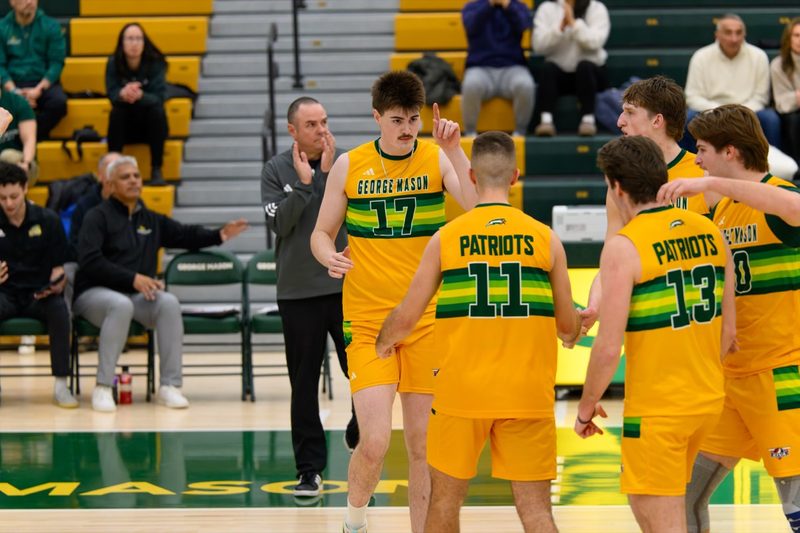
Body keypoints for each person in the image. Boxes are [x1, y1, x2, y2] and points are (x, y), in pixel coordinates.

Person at [376, 131, 582, 533]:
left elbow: (406, 317)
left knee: (445, 503)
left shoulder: (447, 237)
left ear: (469, 175)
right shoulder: (546, 238)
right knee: (537, 511)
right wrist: (576, 327)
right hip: (526, 393)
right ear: (516, 176)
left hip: (461, 393)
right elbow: (567, 327)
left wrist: (381, 344)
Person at [310, 71, 477, 533]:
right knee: (376, 440)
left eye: (414, 119)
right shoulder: (350, 165)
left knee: (424, 446)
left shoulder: (436, 158)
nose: (407, 128)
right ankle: (354, 520)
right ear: (377, 118)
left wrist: (455, 150)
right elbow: (321, 233)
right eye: (398, 120)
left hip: (426, 324)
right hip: (367, 324)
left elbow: (480, 205)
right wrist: (329, 256)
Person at [576, 135, 735, 532]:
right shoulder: (712, 232)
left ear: (616, 187)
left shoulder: (625, 246)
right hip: (707, 399)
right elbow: (729, 331)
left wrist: (585, 406)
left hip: (660, 409)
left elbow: (609, 347)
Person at [658, 104, 800, 533]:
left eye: (702, 150)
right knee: (682, 498)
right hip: (731, 381)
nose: (696, 159)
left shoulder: (778, 196)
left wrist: (711, 182)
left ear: (730, 152)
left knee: (795, 506)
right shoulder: (720, 212)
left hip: (781, 374)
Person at [72, 156, 248, 413]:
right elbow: (89, 261)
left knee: (168, 303)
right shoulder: (96, 217)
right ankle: (102, 386)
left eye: (136, 176)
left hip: (136, 296)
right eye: (125, 177)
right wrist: (131, 278)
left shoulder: (150, 219)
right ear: (109, 184)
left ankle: (169, 385)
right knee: (120, 305)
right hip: (94, 294)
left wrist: (219, 234)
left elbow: (184, 234)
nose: (133, 180)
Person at [260, 96, 358, 498]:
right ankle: (309, 470)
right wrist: (303, 185)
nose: (322, 130)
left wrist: (329, 174)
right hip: (298, 293)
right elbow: (280, 225)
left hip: (346, 288)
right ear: (293, 131)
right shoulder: (275, 169)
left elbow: (350, 218)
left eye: (324, 122)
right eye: (312, 124)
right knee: (303, 386)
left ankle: (361, 431)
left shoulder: (346, 165)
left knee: (364, 373)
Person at [585, 76, 709, 324]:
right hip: (650, 311)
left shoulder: (704, 174)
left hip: (699, 312)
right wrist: (594, 307)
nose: (620, 122)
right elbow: (611, 259)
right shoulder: (620, 180)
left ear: (657, 120)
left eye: (630, 113)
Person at [0, 161, 77, 408]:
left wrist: (58, 280)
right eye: (2, 198)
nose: (9, 203)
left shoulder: (48, 220)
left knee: (59, 310)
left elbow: (60, 267)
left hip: (38, 294)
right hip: (5, 293)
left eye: (13, 196)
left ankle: (61, 385)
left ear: (25, 189)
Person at [684, 14, 781, 150]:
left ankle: (769, 164)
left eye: (738, 33)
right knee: (688, 118)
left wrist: (739, 112)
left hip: (748, 111)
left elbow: (761, 98)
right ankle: (692, 166)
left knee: (770, 119)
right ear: (717, 35)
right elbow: (692, 97)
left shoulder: (759, 56)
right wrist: (720, 112)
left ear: (744, 34)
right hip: (711, 112)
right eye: (728, 33)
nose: (734, 38)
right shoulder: (701, 57)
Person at [532, 0, 610, 137]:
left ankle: (588, 120)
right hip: (560, 73)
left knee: (585, 67)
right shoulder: (546, 8)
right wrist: (559, 27)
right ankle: (546, 121)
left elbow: (595, 42)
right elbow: (538, 45)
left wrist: (574, 24)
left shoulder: (597, 8)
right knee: (547, 69)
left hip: (590, 73)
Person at [460, 0, 535, 137]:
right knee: (470, 85)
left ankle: (520, 132)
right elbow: (471, 26)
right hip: (480, 68)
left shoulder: (518, 6)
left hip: (512, 67)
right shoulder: (472, 7)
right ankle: (470, 133)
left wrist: (508, 6)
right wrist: (489, 5)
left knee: (526, 85)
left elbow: (523, 25)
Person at [106, 23, 168, 185]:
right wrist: (122, 93)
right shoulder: (113, 63)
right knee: (117, 112)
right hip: (125, 126)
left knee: (157, 111)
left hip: (149, 126)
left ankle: (156, 169)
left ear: (144, 42)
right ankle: (112, 169)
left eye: (138, 39)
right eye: (130, 39)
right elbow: (111, 94)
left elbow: (160, 97)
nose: (134, 43)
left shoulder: (156, 62)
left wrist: (140, 95)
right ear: (122, 42)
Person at [0, 0, 66, 140]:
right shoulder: (2, 27)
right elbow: (0, 65)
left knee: (59, 103)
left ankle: (23, 138)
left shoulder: (51, 26)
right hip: (12, 83)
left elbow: (56, 63)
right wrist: (14, 91)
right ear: (12, 2)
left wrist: (38, 90)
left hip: (42, 83)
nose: (29, 2)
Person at [770, 17, 800, 179]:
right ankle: (796, 166)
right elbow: (781, 102)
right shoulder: (778, 64)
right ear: (789, 39)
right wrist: (797, 97)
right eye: (796, 35)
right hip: (792, 111)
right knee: (794, 120)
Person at [0, 84, 35, 182]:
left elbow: (29, 139)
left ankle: (14, 194)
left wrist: (26, 163)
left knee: (7, 156)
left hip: (16, 162)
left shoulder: (17, 101)